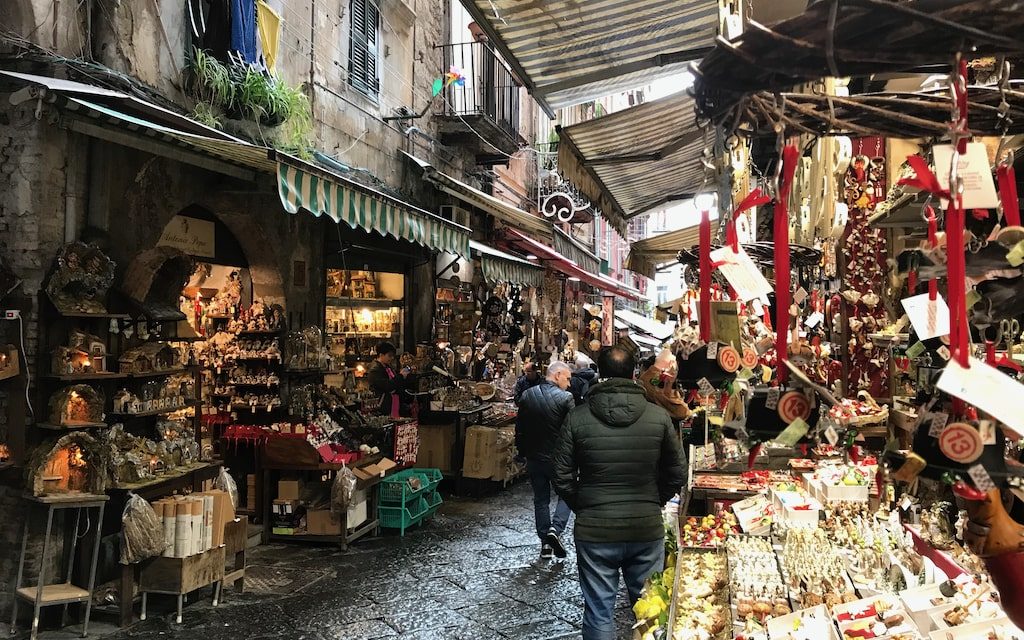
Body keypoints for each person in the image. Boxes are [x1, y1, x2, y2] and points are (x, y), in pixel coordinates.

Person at [552, 346, 686, 640]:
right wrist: (654, 500)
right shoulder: (659, 417)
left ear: (600, 374)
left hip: (596, 531)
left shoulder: (578, 417)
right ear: (634, 373)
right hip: (644, 527)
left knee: (599, 609)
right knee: (650, 608)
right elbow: (677, 473)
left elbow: (560, 476)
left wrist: (585, 506)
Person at [516, 361, 575, 559]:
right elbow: (571, 431)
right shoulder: (566, 398)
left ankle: (545, 544)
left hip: (534, 457)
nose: (569, 383)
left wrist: (521, 453)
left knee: (540, 499)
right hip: (559, 459)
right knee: (567, 494)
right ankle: (555, 531)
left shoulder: (527, 395)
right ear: (557, 375)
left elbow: (520, 428)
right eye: (567, 378)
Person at [365, 342, 409, 417]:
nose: (392, 358)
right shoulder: (375, 370)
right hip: (383, 405)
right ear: (381, 355)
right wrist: (400, 376)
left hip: (393, 403)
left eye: (393, 356)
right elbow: (388, 385)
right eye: (389, 356)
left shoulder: (387, 367)